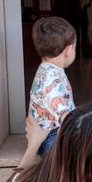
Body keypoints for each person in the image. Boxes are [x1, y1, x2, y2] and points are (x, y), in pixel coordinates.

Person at [29, 16, 76, 155]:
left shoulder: (47, 69)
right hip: (50, 136)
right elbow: (56, 101)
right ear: (69, 49)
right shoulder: (51, 76)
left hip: (52, 131)